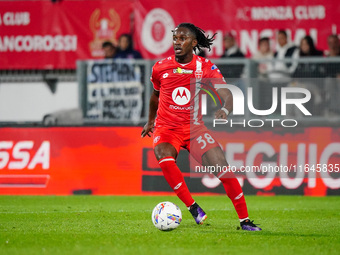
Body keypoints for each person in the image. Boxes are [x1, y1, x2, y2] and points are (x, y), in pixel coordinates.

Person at [141, 23, 261, 231]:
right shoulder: (160, 67)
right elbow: (155, 96)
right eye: (175, 38)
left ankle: (245, 221)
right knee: (164, 156)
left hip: (194, 130)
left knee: (224, 170)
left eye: (183, 38)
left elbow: (226, 93)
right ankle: (193, 207)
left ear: (194, 43)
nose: (177, 42)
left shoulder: (205, 67)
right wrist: (151, 121)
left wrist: (226, 109)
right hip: (167, 129)